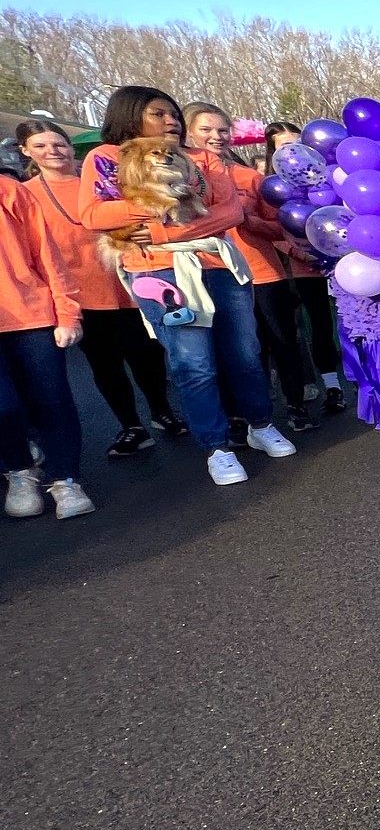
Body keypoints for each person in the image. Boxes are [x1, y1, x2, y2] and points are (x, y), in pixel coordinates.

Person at [78, 86, 296, 486]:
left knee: (245, 353)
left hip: (217, 264)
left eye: (174, 115)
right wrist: (156, 204)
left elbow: (228, 211)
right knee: (194, 364)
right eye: (159, 115)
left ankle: (260, 424)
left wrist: (160, 231)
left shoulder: (205, 159)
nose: (171, 122)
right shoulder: (109, 158)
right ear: (131, 116)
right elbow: (94, 214)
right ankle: (216, 447)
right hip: (160, 274)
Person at [16, 120, 182, 455]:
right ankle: (131, 426)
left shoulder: (97, 180)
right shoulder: (26, 193)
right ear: (26, 152)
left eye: (58, 144)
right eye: (41, 146)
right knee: (105, 364)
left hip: (129, 278)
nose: (52, 152)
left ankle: (163, 412)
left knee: (147, 355)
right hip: (80, 291)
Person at [191, 105, 317, 433]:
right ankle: (247, 417)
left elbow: (280, 227)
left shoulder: (250, 177)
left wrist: (248, 221)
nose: (215, 137)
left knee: (282, 342)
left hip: (262, 273)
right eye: (206, 130)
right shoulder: (180, 176)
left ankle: (295, 404)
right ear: (189, 132)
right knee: (238, 352)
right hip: (214, 274)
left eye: (221, 130)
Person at [0, 173, 95, 518]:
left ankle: (66, 479)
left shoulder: (8, 190)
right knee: (4, 407)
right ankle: (20, 469)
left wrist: (68, 312)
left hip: (32, 316)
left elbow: (46, 252)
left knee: (51, 400)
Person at [263, 122, 345, 415]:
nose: (295, 152)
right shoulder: (273, 187)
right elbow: (273, 230)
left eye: (298, 143)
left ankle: (339, 386)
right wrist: (300, 253)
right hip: (299, 270)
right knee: (307, 328)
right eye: (284, 146)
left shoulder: (325, 176)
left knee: (334, 326)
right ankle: (313, 385)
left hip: (337, 265)